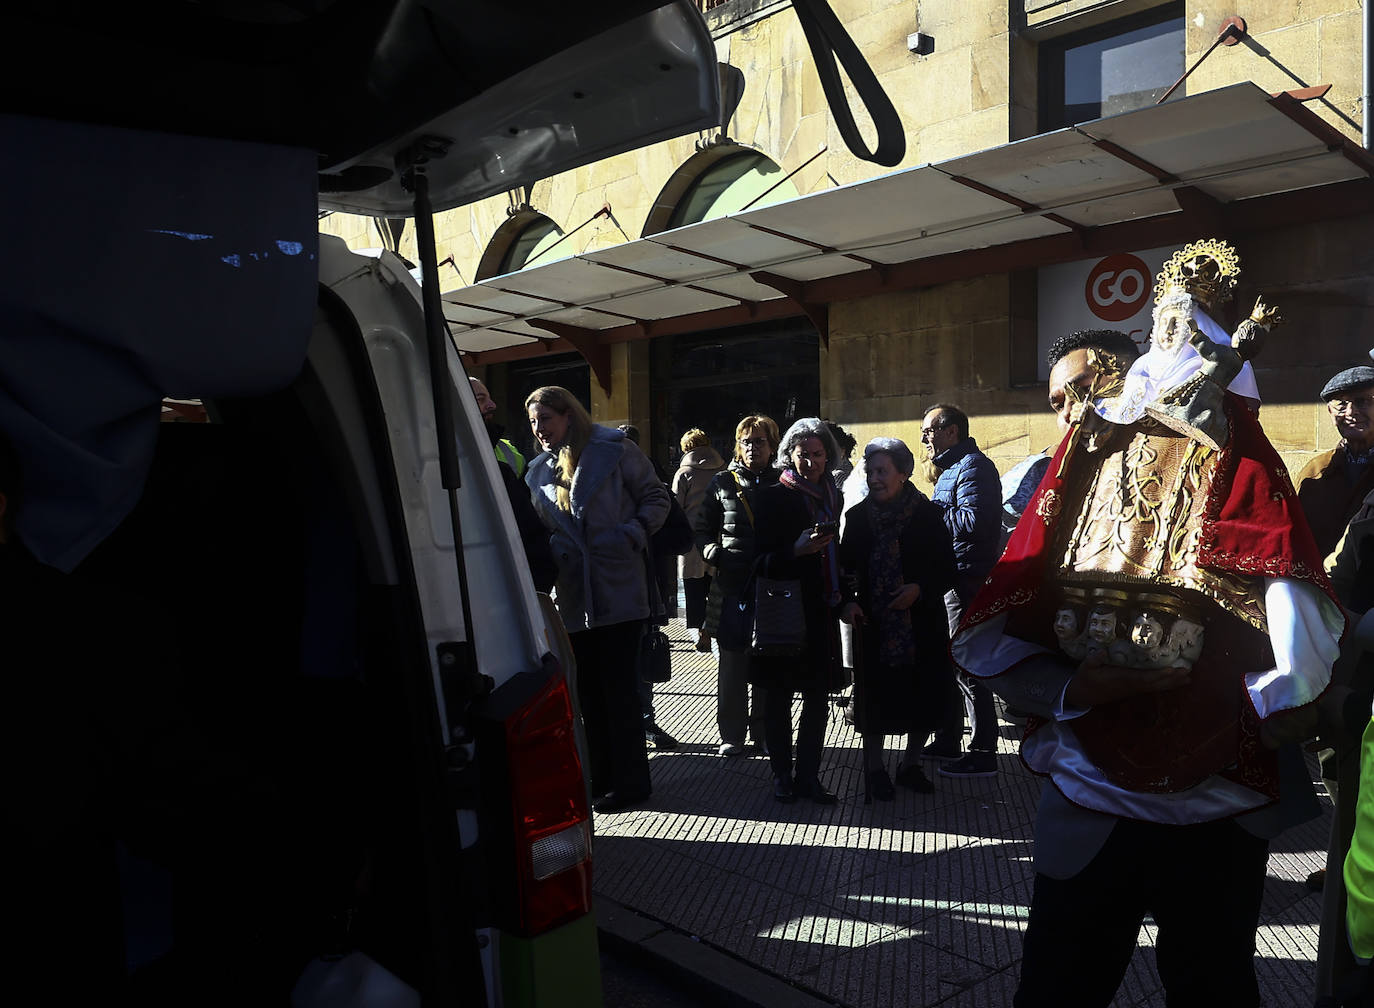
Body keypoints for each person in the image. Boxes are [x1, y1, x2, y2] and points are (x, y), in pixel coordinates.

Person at [952, 238, 1339, 1007]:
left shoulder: (1246, 472)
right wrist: (1074, 689)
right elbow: (1002, 622)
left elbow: (1298, 634)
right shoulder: (1070, 472)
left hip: (1213, 806)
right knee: (1063, 981)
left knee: (1210, 982)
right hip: (1090, 792)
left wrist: (1254, 705)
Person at [525, 386, 670, 813]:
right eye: (534, 422)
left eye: (546, 419)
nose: (539, 430)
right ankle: (600, 777)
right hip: (573, 596)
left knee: (620, 693)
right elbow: (542, 528)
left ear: (569, 415)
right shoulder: (538, 471)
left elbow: (657, 497)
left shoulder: (615, 450)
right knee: (588, 695)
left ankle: (630, 784)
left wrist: (632, 534)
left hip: (619, 589)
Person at [839, 438, 957, 800]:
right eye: (870, 471)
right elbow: (843, 569)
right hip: (874, 624)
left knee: (921, 696)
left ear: (903, 475)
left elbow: (947, 570)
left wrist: (919, 589)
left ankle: (910, 764)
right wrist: (848, 602)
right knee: (875, 698)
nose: (874, 478)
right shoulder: (858, 519)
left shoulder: (928, 516)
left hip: (921, 624)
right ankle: (875, 769)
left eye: (882, 471)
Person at [751, 417, 846, 804]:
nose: (811, 462)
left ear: (828, 456)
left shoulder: (833, 497)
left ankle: (809, 775)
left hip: (822, 609)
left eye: (817, 454)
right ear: (789, 456)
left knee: (817, 699)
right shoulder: (772, 496)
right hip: (785, 612)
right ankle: (780, 774)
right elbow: (757, 562)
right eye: (802, 454)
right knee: (777, 697)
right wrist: (795, 550)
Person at [919, 403, 1003, 778]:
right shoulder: (954, 467)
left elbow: (975, 521)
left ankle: (983, 749)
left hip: (967, 578)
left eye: (928, 431)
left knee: (968, 662)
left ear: (950, 431)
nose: (925, 438)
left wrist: (932, 512)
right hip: (953, 575)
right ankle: (950, 738)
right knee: (952, 660)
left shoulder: (973, 467)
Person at [695, 415, 780, 757]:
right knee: (731, 664)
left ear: (773, 446)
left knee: (766, 662)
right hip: (732, 586)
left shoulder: (783, 483)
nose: (752, 447)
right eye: (746, 441)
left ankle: (763, 732)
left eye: (759, 441)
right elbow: (700, 529)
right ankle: (731, 733)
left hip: (771, 586)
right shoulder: (722, 482)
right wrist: (713, 552)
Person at [617, 422, 681, 750]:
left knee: (640, 659)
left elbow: (682, 536)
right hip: (607, 594)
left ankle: (645, 723)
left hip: (641, 589)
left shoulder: (653, 490)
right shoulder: (594, 489)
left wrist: (645, 538)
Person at [1299, 366, 1374, 560]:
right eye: (1341, 404)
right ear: (1331, 413)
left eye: (1362, 402)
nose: (1351, 412)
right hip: (1321, 586)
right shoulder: (1314, 470)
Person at [673, 428, 725, 652]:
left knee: (693, 588)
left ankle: (702, 633)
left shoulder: (684, 473)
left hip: (690, 538)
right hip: (718, 535)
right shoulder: (723, 468)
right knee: (714, 586)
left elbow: (675, 507)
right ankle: (714, 628)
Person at [470, 376, 526, 476]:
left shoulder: (509, 451)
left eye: (489, 398)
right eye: (481, 399)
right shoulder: (441, 450)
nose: (492, 405)